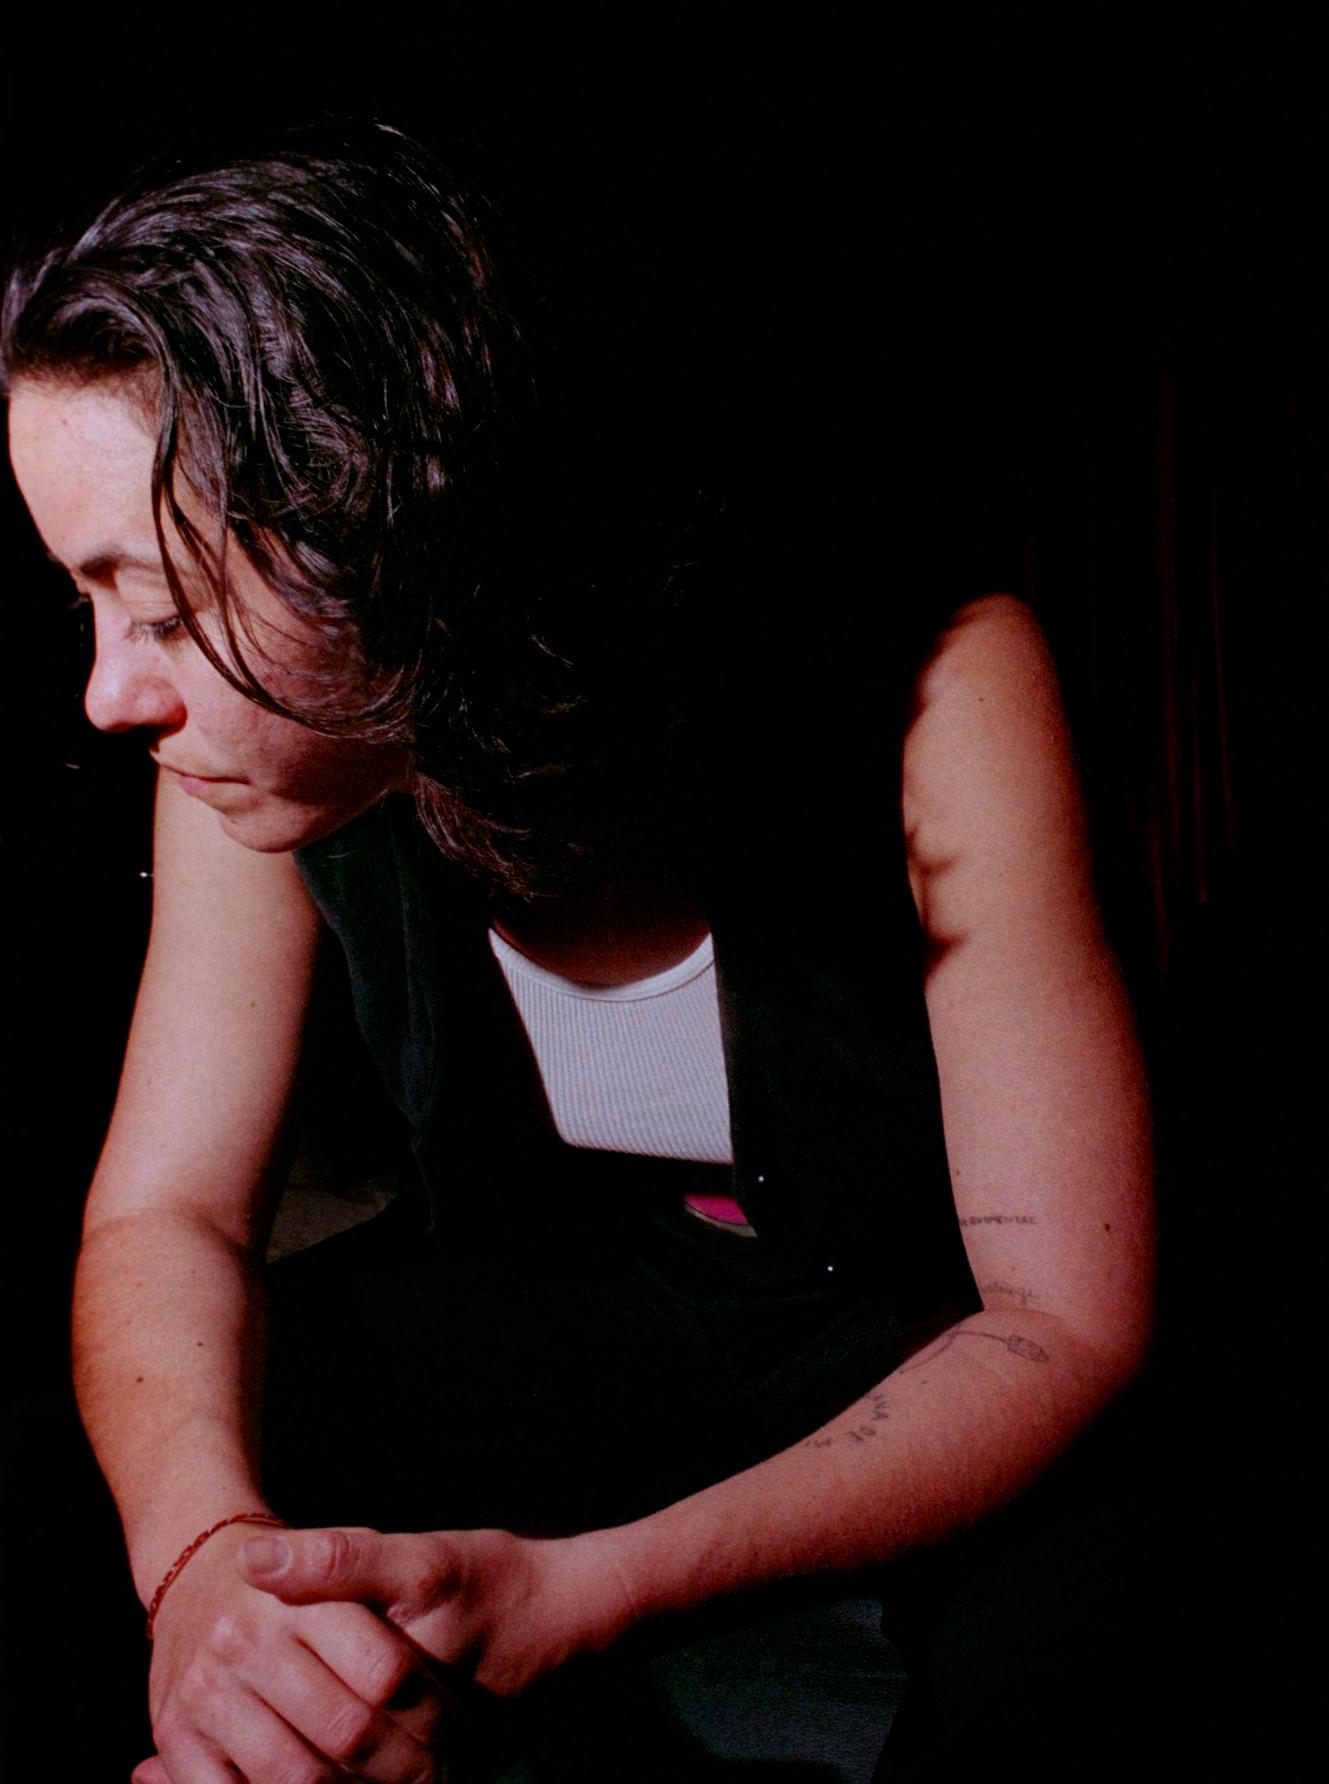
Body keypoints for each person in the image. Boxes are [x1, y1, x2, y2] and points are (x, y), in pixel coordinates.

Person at [2, 121, 1154, 1781]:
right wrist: (204, 1572)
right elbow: (165, 1212)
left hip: (915, 1350)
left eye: (168, 610)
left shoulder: (942, 685)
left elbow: (1063, 1322)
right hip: (555, 1323)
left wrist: (587, 1595)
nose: (113, 693)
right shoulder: (250, 770)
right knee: (93, 1476)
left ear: (375, 533)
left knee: (1107, 1630)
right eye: (89, 604)